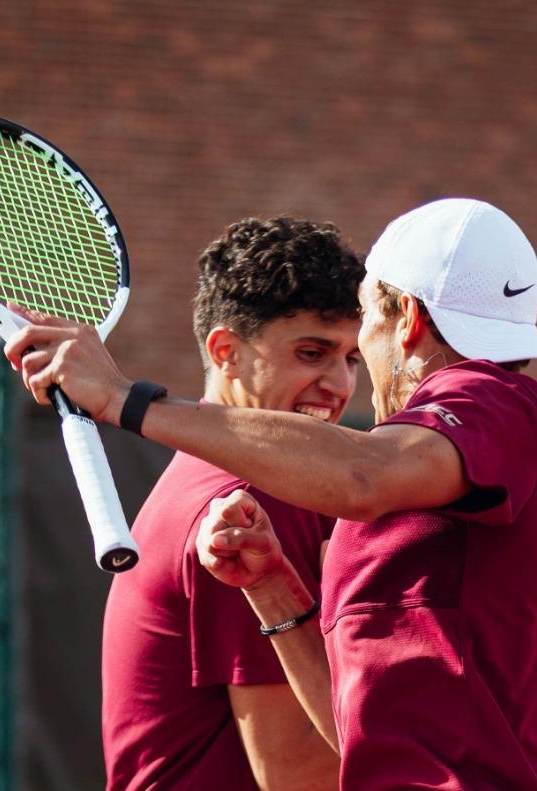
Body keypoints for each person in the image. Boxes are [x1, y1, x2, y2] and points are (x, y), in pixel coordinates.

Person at [6, 198, 537, 789]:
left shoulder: (487, 399)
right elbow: (355, 735)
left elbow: (363, 474)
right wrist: (274, 591)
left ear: (408, 319)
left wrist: (122, 400)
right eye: (312, 353)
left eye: (355, 340)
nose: (343, 382)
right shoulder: (279, 489)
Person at [93, 216, 363, 790]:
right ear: (227, 353)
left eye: (352, 358)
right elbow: (298, 778)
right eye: (313, 353)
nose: (339, 384)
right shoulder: (255, 498)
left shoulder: (261, 480)